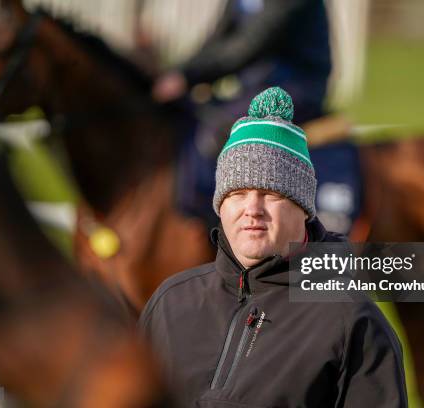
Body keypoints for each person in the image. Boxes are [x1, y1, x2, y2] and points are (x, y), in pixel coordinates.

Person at [140, 87, 407, 407]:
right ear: (220, 206)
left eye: (271, 193)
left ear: (303, 207)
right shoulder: (169, 304)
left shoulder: (353, 323)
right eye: (237, 194)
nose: (252, 208)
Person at [152, 0, 332, 156]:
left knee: (218, 132)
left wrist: (188, 77)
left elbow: (249, 45)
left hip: (295, 86)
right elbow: (217, 38)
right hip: (253, 88)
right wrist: (179, 73)